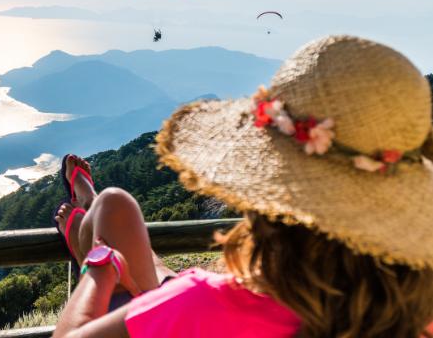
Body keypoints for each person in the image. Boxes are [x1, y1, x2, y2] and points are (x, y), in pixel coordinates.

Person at [53, 35, 433, 338]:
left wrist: (100, 271)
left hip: (182, 318)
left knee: (114, 208)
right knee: (136, 240)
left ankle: (90, 239)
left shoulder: (205, 306)